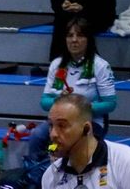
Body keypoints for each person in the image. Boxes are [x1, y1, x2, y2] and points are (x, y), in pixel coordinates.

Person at [25, 17, 117, 173]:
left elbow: (110, 103)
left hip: (90, 121)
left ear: (88, 39)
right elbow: (45, 102)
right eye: (70, 35)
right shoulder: (57, 65)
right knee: (37, 137)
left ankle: (73, 175)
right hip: (60, 121)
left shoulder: (100, 66)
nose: (74, 40)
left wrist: (79, 107)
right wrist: (61, 101)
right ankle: (36, 176)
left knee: (72, 140)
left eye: (80, 35)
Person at [48, 0, 114, 63]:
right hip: (67, 14)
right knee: (65, 21)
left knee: (79, 22)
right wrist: (63, 5)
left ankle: (90, 66)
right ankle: (58, 66)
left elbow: (108, 3)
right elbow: (55, 1)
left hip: (97, 13)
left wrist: (84, 8)